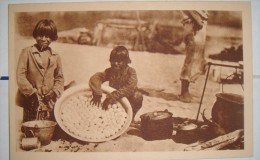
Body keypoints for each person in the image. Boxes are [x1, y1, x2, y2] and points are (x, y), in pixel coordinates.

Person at [16, 19, 64, 122]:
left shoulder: (56, 56)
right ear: (35, 35)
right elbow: (20, 76)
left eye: (47, 36)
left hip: (49, 101)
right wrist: (31, 92)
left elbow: (59, 78)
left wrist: (54, 92)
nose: (43, 39)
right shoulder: (27, 52)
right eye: (40, 35)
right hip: (31, 101)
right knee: (31, 128)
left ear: (53, 37)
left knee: (48, 128)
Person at [89, 46, 143, 121]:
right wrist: (97, 93)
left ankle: (131, 118)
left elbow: (129, 88)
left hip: (126, 100)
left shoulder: (131, 72)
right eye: (112, 61)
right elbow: (96, 77)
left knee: (138, 96)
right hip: (114, 101)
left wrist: (111, 97)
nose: (115, 63)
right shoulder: (110, 71)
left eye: (119, 61)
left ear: (126, 61)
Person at [178, 10, 208, 103]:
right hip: (192, 22)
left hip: (200, 22)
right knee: (191, 58)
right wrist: (196, 19)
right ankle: (184, 92)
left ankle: (186, 90)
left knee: (198, 57)